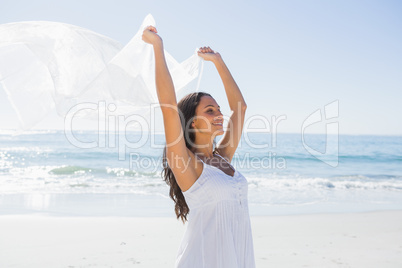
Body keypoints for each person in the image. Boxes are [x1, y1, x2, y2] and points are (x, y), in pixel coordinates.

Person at [142, 26, 256, 268]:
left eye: (218, 109)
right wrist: (157, 47)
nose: (219, 114)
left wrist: (218, 61)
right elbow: (169, 107)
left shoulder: (223, 157)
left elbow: (240, 108)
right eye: (210, 110)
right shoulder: (186, 163)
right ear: (193, 122)